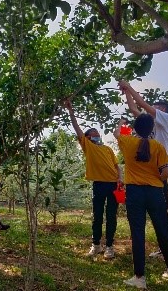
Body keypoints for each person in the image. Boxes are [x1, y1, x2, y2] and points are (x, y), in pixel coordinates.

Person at [114, 115, 168, 289]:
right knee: (163, 231)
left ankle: (140, 278)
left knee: (137, 233)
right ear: (152, 129)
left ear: (135, 128)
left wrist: (121, 123)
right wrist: (155, 179)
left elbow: (117, 133)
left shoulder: (128, 143)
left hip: (135, 193)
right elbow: (166, 173)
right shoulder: (157, 146)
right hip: (155, 192)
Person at [119, 80, 168, 260]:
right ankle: (166, 249)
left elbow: (142, 104)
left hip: (165, 169)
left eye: (156, 108)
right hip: (153, 172)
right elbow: (134, 109)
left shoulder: (167, 120)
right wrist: (127, 92)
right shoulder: (151, 125)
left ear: (163, 111)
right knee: (159, 212)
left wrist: (129, 86)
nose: (151, 110)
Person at [65, 100, 120, 259]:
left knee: (111, 216)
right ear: (88, 137)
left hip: (113, 185)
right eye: (94, 133)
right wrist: (71, 111)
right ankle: (96, 245)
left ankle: (109, 246)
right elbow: (77, 128)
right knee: (97, 216)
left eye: (98, 133)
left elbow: (117, 166)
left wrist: (120, 178)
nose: (97, 134)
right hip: (99, 185)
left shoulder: (108, 149)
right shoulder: (88, 146)